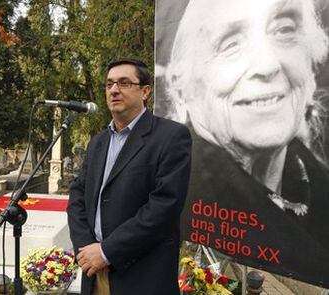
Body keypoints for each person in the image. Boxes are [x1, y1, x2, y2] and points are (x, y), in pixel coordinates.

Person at [164, 0, 329, 288]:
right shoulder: (174, 190)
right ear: (181, 86)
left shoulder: (319, 186)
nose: (268, 64)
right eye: (230, 44)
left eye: (284, 29)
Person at [67, 59, 192, 295]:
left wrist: (106, 252)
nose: (114, 90)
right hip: (95, 274)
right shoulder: (98, 143)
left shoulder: (171, 137)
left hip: (142, 276)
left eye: (124, 83)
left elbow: (164, 207)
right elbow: (77, 196)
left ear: (145, 91)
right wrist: (87, 249)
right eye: (109, 84)